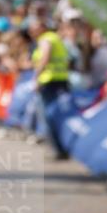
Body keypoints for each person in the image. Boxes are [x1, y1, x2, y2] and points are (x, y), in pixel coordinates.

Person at [28, 13, 71, 159]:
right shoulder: (55, 37)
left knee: (47, 116)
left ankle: (57, 149)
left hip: (48, 82)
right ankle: (61, 147)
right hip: (61, 80)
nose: (32, 32)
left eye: (34, 28)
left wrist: (36, 78)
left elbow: (45, 57)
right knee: (56, 115)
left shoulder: (46, 39)